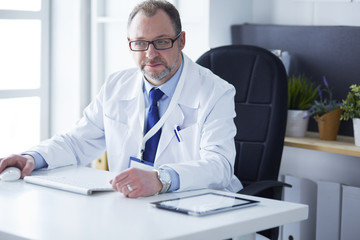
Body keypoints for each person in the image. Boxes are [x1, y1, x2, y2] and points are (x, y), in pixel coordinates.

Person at [0, 0, 242, 198]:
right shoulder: (116, 86)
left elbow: (219, 165)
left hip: (198, 206)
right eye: (140, 43)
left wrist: (161, 178)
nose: (150, 54)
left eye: (161, 41)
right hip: (133, 206)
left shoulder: (215, 91)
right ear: (130, 44)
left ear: (181, 41)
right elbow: (76, 142)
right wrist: (32, 157)